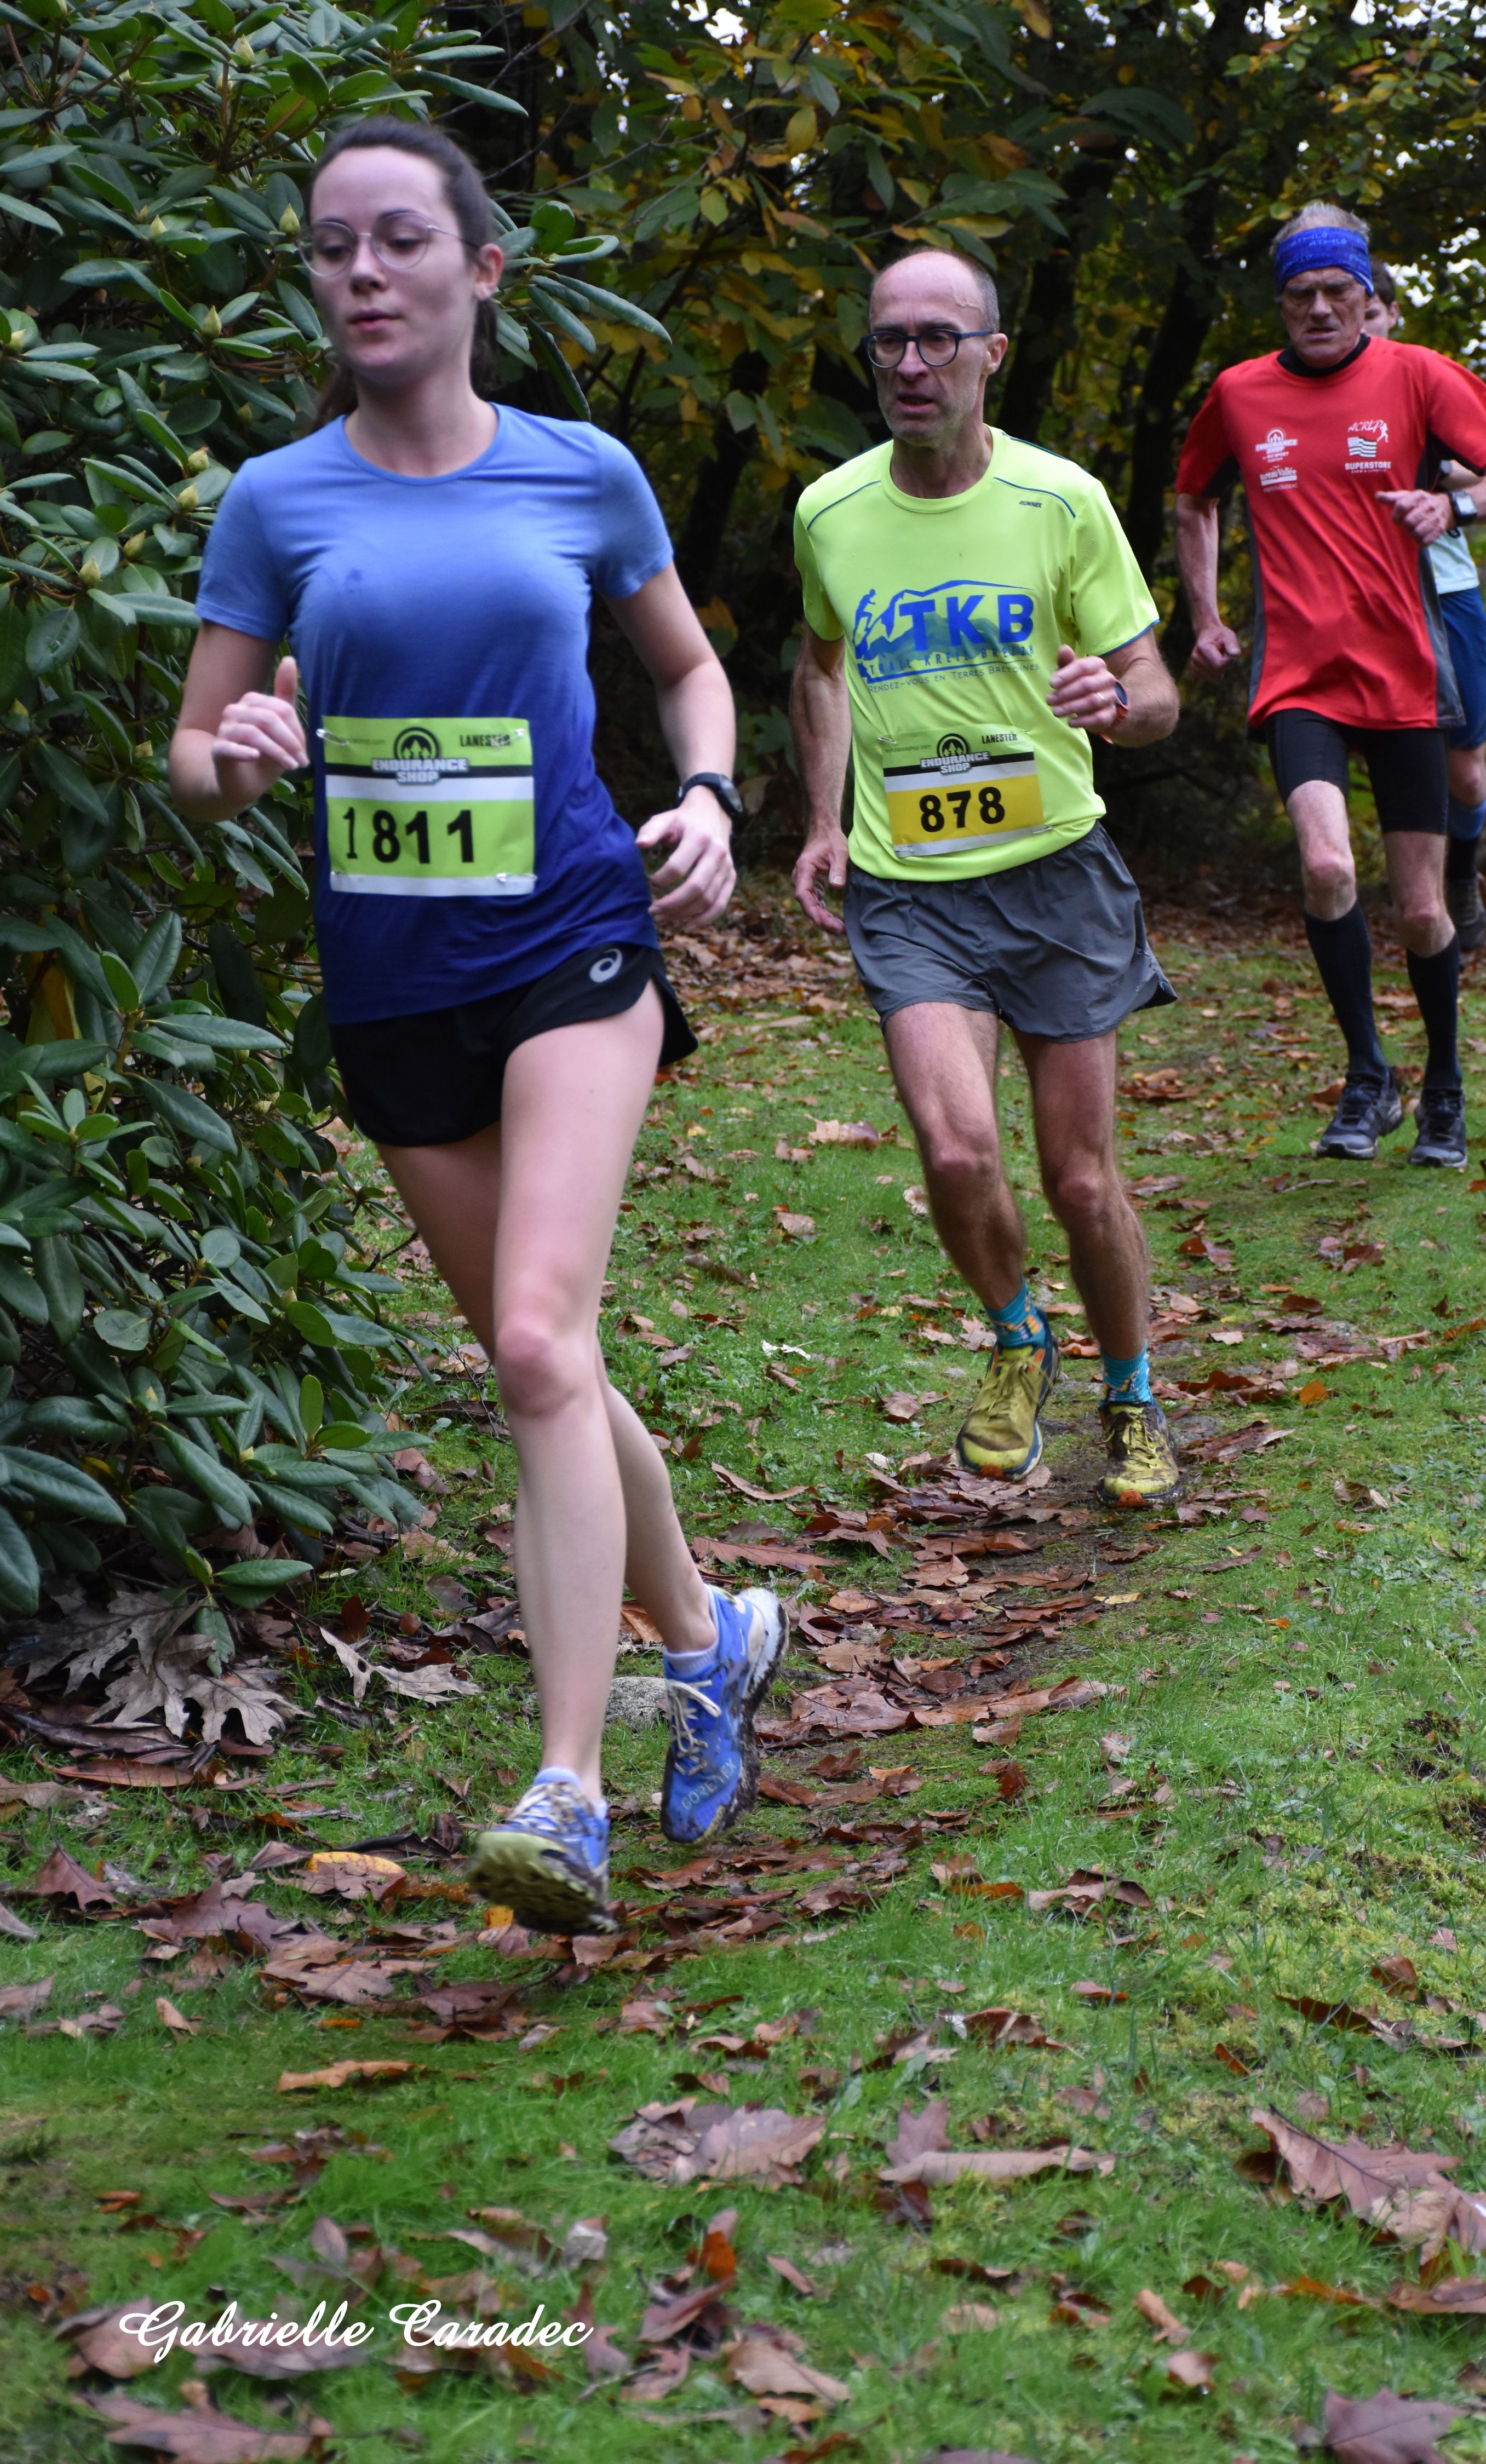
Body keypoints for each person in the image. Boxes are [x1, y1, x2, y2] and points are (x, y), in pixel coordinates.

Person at [169, 119, 785, 1936]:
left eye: (400, 239)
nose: (362, 271)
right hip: (390, 981)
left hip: (572, 937)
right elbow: (194, 749)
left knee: (532, 1339)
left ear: (483, 269)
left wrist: (711, 797)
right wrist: (237, 757)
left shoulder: (582, 472)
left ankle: (566, 1790)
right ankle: (713, 1637)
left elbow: (689, 666)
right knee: (552, 1365)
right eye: (331, 246)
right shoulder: (277, 500)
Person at [790, 245, 1184, 1507]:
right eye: (889, 340)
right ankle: (1019, 1339)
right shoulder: (829, 513)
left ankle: (1130, 1391)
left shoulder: (1060, 501)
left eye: (938, 338)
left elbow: (1158, 692)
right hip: (910, 888)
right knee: (957, 1154)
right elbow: (817, 667)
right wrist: (823, 817)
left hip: (1056, 877)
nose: (911, 363)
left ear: (991, 356)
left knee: (1079, 1178)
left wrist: (1117, 701)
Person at [1175, 203, 1486, 1169]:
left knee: (1421, 912)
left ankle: (1444, 1086)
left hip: (1404, 678)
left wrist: (1455, 506)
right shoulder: (1239, 393)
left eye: (1338, 292)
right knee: (1328, 867)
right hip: (1299, 677)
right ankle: (1368, 1075)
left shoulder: (1419, 375)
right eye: (1301, 295)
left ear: (1365, 293)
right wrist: (1206, 616)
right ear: (1281, 303)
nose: (1320, 309)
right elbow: (1195, 498)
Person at [1363, 262, 1486, 953]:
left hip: (1447, 594)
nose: (1357, 325)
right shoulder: (1303, 389)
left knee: (1465, 772)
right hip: (1361, 600)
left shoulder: (1423, 382)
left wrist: (1439, 482)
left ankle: (1462, 875)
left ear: (1390, 314)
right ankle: (1411, 904)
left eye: (1370, 312)